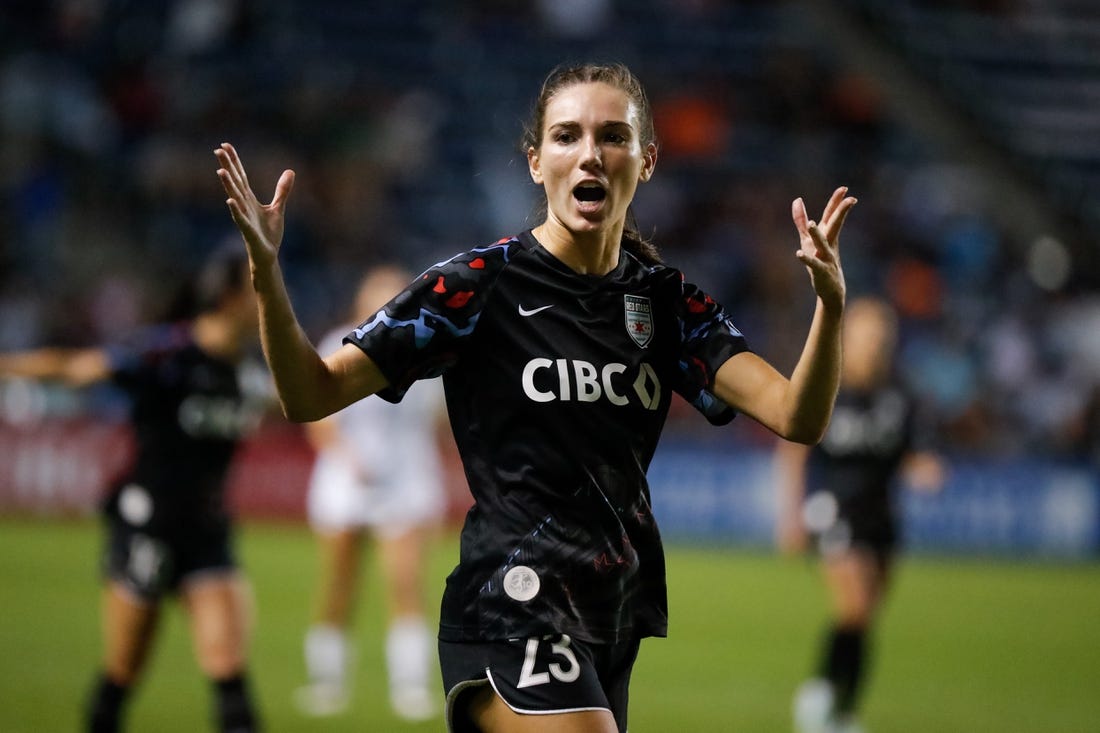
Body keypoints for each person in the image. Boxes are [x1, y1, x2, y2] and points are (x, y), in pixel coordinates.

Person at [215, 61, 855, 733]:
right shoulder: (473, 287)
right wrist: (266, 274)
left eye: (613, 136)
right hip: (510, 599)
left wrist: (831, 309)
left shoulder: (666, 304)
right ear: (535, 161)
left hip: (612, 606)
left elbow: (796, 415)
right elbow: (310, 394)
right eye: (566, 135)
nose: (589, 154)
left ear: (647, 160)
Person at [0, 247, 266, 733]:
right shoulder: (168, 352)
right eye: (259, 287)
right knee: (123, 672)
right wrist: (9, 367)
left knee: (230, 673)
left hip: (207, 533)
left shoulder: (252, 367)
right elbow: (77, 367)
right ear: (229, 298)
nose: (272, 295)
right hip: (147, 528)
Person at [774, 296, 945, 733]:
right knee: (855, 607)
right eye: (867, 333)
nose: (875, 343)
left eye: (882, 334)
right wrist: (790, 514)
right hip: (834, 509)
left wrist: (923, 466)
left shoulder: (899, 395)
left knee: (865, 618)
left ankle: (844, 709)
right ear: (849, 337)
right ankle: (820, 696)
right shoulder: (829, 386)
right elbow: (793, 450)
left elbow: (909, 450)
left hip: (882, 515)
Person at [294, 264, 449, 721]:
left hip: (406, 482)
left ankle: (409, 688)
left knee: (405, 584)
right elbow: (318, 417)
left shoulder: (428, 352)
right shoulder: (338, 343)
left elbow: (436, 421)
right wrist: (347, 457)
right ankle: (327, 683)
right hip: (345, 481)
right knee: (338, 585)